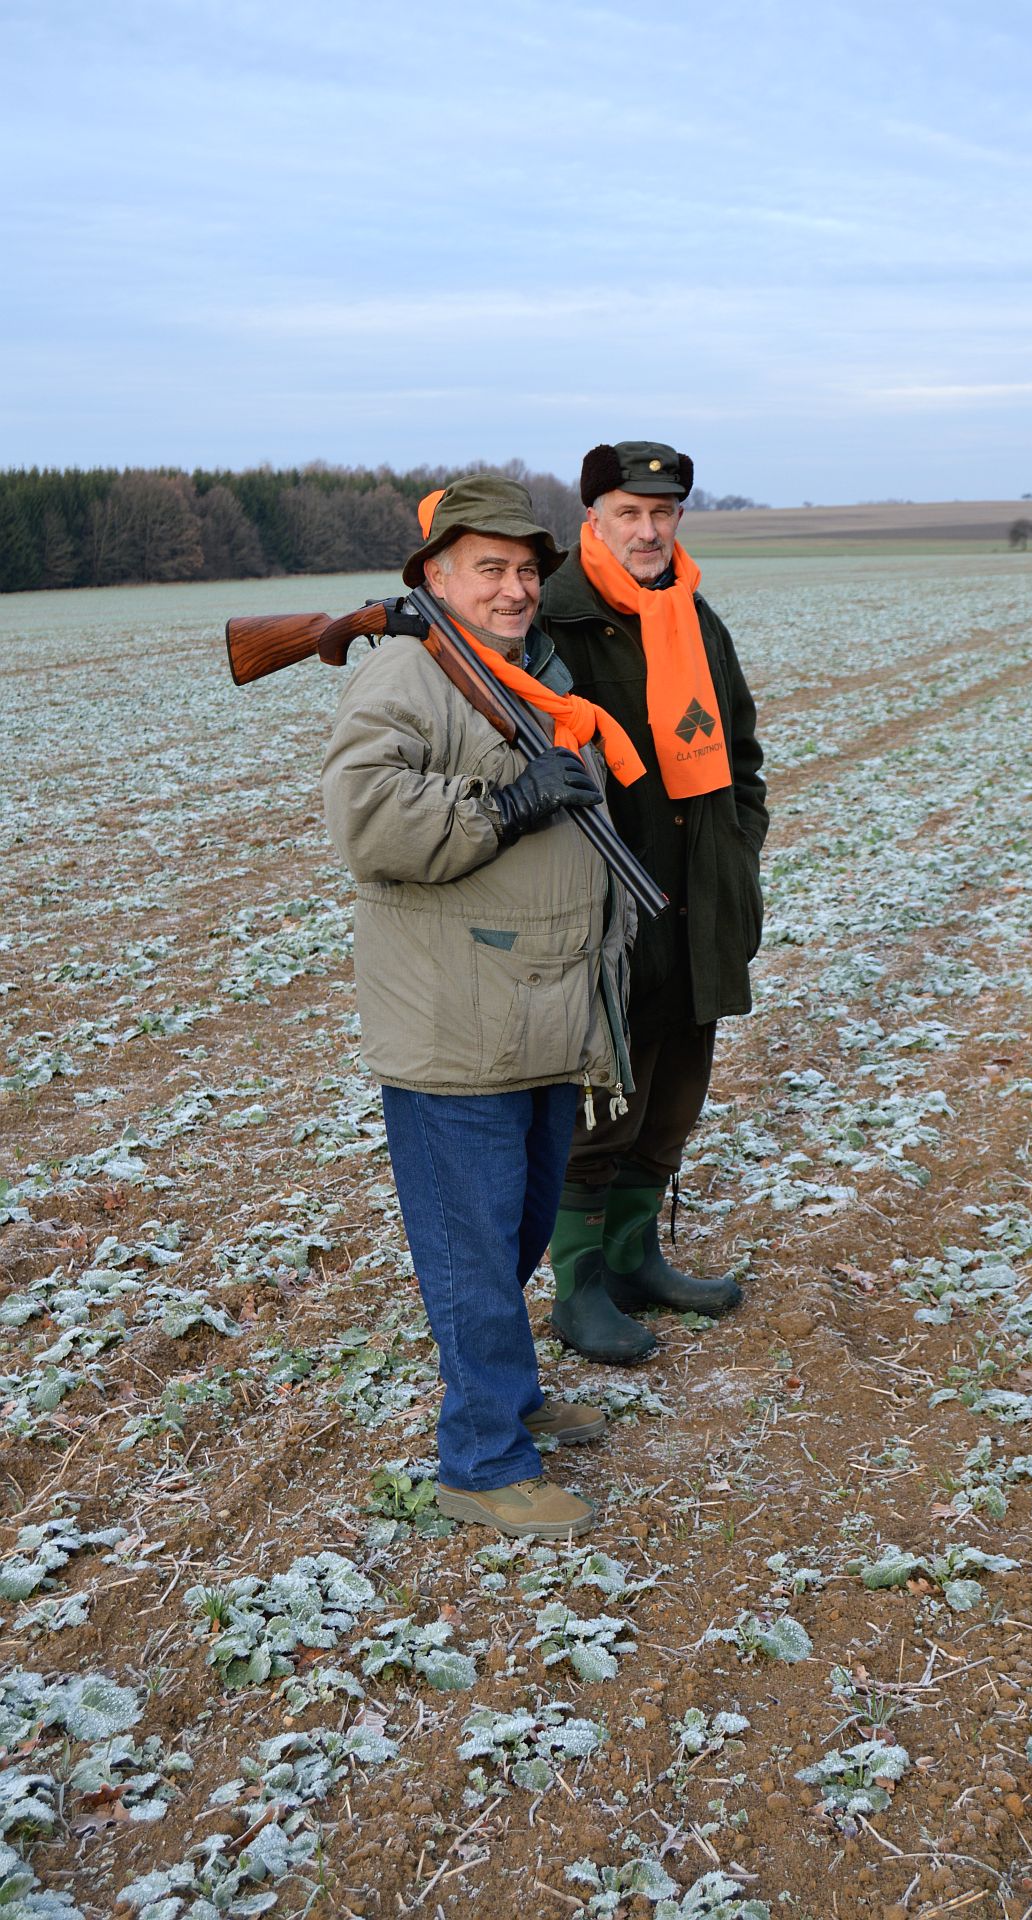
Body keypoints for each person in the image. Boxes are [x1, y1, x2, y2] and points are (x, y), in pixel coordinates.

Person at [322, 474, 643, 1536]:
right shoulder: (407, 674)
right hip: (454, 1023)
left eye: (525, 571)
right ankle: (481, 1460)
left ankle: (510, 1397)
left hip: (534, 1010)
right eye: (488, 569)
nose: (513, 589)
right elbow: (368, 819)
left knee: (516, 1231)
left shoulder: (527, 670)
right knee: (471, 1256)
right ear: (434, 576)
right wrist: (508, 805)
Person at [538, 442, 769, 1363]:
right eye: (627, 513)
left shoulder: (692, 615)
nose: (646, 530)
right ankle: (578, 1289)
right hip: (609, 906)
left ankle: (637, 1262)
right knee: (603, 1107)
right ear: (592, 518)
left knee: (673, 1098)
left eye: (661, 512)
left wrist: (738, 854)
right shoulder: (555, 617)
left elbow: (740, 753)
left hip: (698, 896)